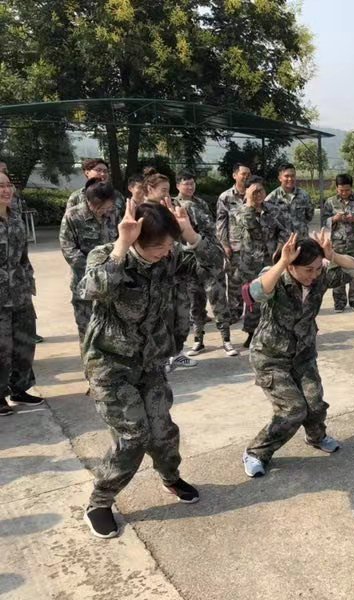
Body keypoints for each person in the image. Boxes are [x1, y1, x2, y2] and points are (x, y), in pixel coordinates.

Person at [80, 198, 222, 538]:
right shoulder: (107, 256)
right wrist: (121, 245)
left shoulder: (169, 258)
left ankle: (170, 478)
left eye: (169, 246)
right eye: (158, 247)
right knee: (133, 437)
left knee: (163, 431)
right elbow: (93, 289)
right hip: (110, 365)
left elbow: (214, 266)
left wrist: (190, 234)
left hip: (150, 362)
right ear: (137, 241)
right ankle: (100, 502)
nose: (165, 253)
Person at [240, 231, 354, 478]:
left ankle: (316, 437)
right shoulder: (276, 276)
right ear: (292, 266)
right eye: (308, 269)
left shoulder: (319, 277)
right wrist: (282, 263)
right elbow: (255, 293)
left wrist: (332, 255)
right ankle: (256, 452)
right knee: (293, 409)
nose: (314, 275)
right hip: (271, 357)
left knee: (315, 403)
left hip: (303, 353)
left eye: (317, 268)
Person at [173, 172, 233, 360]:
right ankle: (198, 340)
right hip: (190, 260)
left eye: (192, 183)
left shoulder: (200, 203)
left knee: (218, 298)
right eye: (186, 184)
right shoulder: (174, 205)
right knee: (195, 301)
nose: (190, 187)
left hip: (209, 257)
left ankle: (226, 339)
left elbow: (212, 230)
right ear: (178, 186)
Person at [0, 171, 43, 416]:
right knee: (1, 348)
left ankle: (20, 388)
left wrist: (28, 281)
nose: (6, 190)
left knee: (24, 343)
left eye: (8, 185)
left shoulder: (16, 219)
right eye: (0, 186)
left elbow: (23, 257)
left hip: (19, 292)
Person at [59, 179, 119, 348]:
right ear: (89, 201)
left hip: (111, 280)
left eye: (108, 207)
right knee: (86, 328)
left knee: (111, 328)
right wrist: (94, 269)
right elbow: (68, 248)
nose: (105, 211)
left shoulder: (113, 213)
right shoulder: (73, 216)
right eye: (100, 207)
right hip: (84, 282)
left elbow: (120, 239)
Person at [234, 175, 290, 348]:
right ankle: (252, 333)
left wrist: (279, 247)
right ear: (246, 192)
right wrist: (251, 203)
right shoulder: (240, 211)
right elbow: (242, 226)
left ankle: (273, 332)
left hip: (270, 262)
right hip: (249, 263)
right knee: (253, 299)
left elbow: (285, 230)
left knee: (273, 297)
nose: (258, 194)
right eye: (254, 191)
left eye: (261, 190)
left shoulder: (274, 209)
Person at [320, 173, 354, 312]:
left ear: (351, 188)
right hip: (337, 244)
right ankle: (339, 303)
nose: (344, 193)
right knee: (337, 272)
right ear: (336, 188)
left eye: (347, 190)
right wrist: (334, 219)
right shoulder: (330, 202)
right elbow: (323, 221)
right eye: (341, 190)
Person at [216, 163, 251, 320]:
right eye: (243, 173)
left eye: (248, 174)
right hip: (235, 246)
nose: (246, 176)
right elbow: (221, 223)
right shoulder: (225, 197)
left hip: (253, 247)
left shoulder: (255, 193)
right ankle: (234, 313)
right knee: (234, 281)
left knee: (253, 281)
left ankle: (252, 313)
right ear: (235, 175)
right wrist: (224, 244)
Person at [264, 163, 314, 238]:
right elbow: (266, 222)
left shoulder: (304, 196)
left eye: (292, 176)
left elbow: (309, 216)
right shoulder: (271, 199)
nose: (290, 179)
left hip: (301, 240)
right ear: (280, 178)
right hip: (281, 241)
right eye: (286, 176)